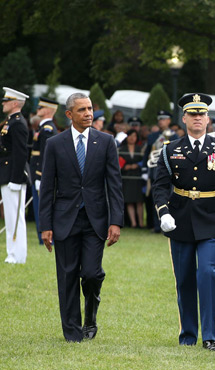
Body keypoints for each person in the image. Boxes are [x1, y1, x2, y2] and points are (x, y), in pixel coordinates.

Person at [152, 93, 215, 352]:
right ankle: (188, 334)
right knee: (185, 279)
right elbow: (159, 186)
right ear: (184, 118)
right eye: (193, 114)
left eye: (201, 114)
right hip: (180, 220)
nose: (198, 118)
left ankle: (210, 335)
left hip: (212, 218)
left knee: (207, 273)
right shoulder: (170, 149)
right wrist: (163, 212)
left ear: (208, 118)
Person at [39, 93, 124, 342]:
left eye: (90, 109)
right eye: (82, 110)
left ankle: (90, 317)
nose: (88, 114)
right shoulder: (55, 144)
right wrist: (45, 225)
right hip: (64, 220)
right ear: (69, 115)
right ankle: (72, 332)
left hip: (95, 220)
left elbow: (114, 185)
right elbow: (46, 187)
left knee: (90, 273)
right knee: (66, 277)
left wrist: (116, 221)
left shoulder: (106, 142)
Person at [0, 87, 30, 264]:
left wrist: (16, 179)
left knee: (15, 217)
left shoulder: (18, 123)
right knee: (10, 218)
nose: (3, 103)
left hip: (14, 176)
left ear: (15, 103)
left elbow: (20, 153)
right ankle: (12, 253)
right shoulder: (10, 121)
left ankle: (18, 256)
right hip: (7, 173)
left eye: (6, 101)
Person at [30, 97, 59, 245]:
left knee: (42, 207)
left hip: (40, 175)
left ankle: (46, 237)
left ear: (48, 110)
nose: (38, 110)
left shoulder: (47, 129)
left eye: (40, 108)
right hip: (36, 174)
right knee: (38, 207)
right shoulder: (43, 128)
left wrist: (40, 176)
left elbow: (45, 156)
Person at [119, 129, 145, 228]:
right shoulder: (121, 148)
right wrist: (126, 167)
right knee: (129, 200)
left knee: (139, 201)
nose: (132, 138)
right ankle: (133, 223)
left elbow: (145, 160)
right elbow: (119, 161)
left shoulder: (140, 148)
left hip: (138, 176)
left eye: (134, 136)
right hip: (126, 176)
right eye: (130, 135)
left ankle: (141, 223)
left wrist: (137, 165)